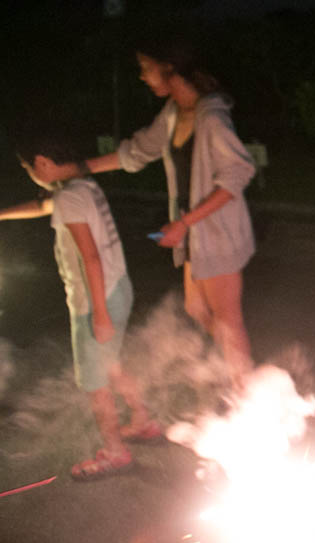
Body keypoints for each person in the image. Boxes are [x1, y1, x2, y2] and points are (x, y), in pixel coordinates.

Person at [70, 32, 256, 379]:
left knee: (227, 321)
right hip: (194, 236)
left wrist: (185, 223)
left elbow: (237, 175)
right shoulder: (173, 113)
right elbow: (137, 152)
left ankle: (247, 391)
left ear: (169, 68)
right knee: (196, 308)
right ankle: (243, 376)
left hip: (217, 234)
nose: (142, 76)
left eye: (146, 68)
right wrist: (80, 168)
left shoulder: (211, 117)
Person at [1, 129, 159, 480]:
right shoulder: (82, 187)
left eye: (30, 168)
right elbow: (43, 206)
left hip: (95, 300)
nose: (31, 174)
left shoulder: (71, 198)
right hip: (117, 289)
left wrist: (99, 314)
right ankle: (143, 420)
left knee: (95, 383)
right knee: (112, 363)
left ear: (42, 163)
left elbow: (89, 257)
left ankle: (116, 454)